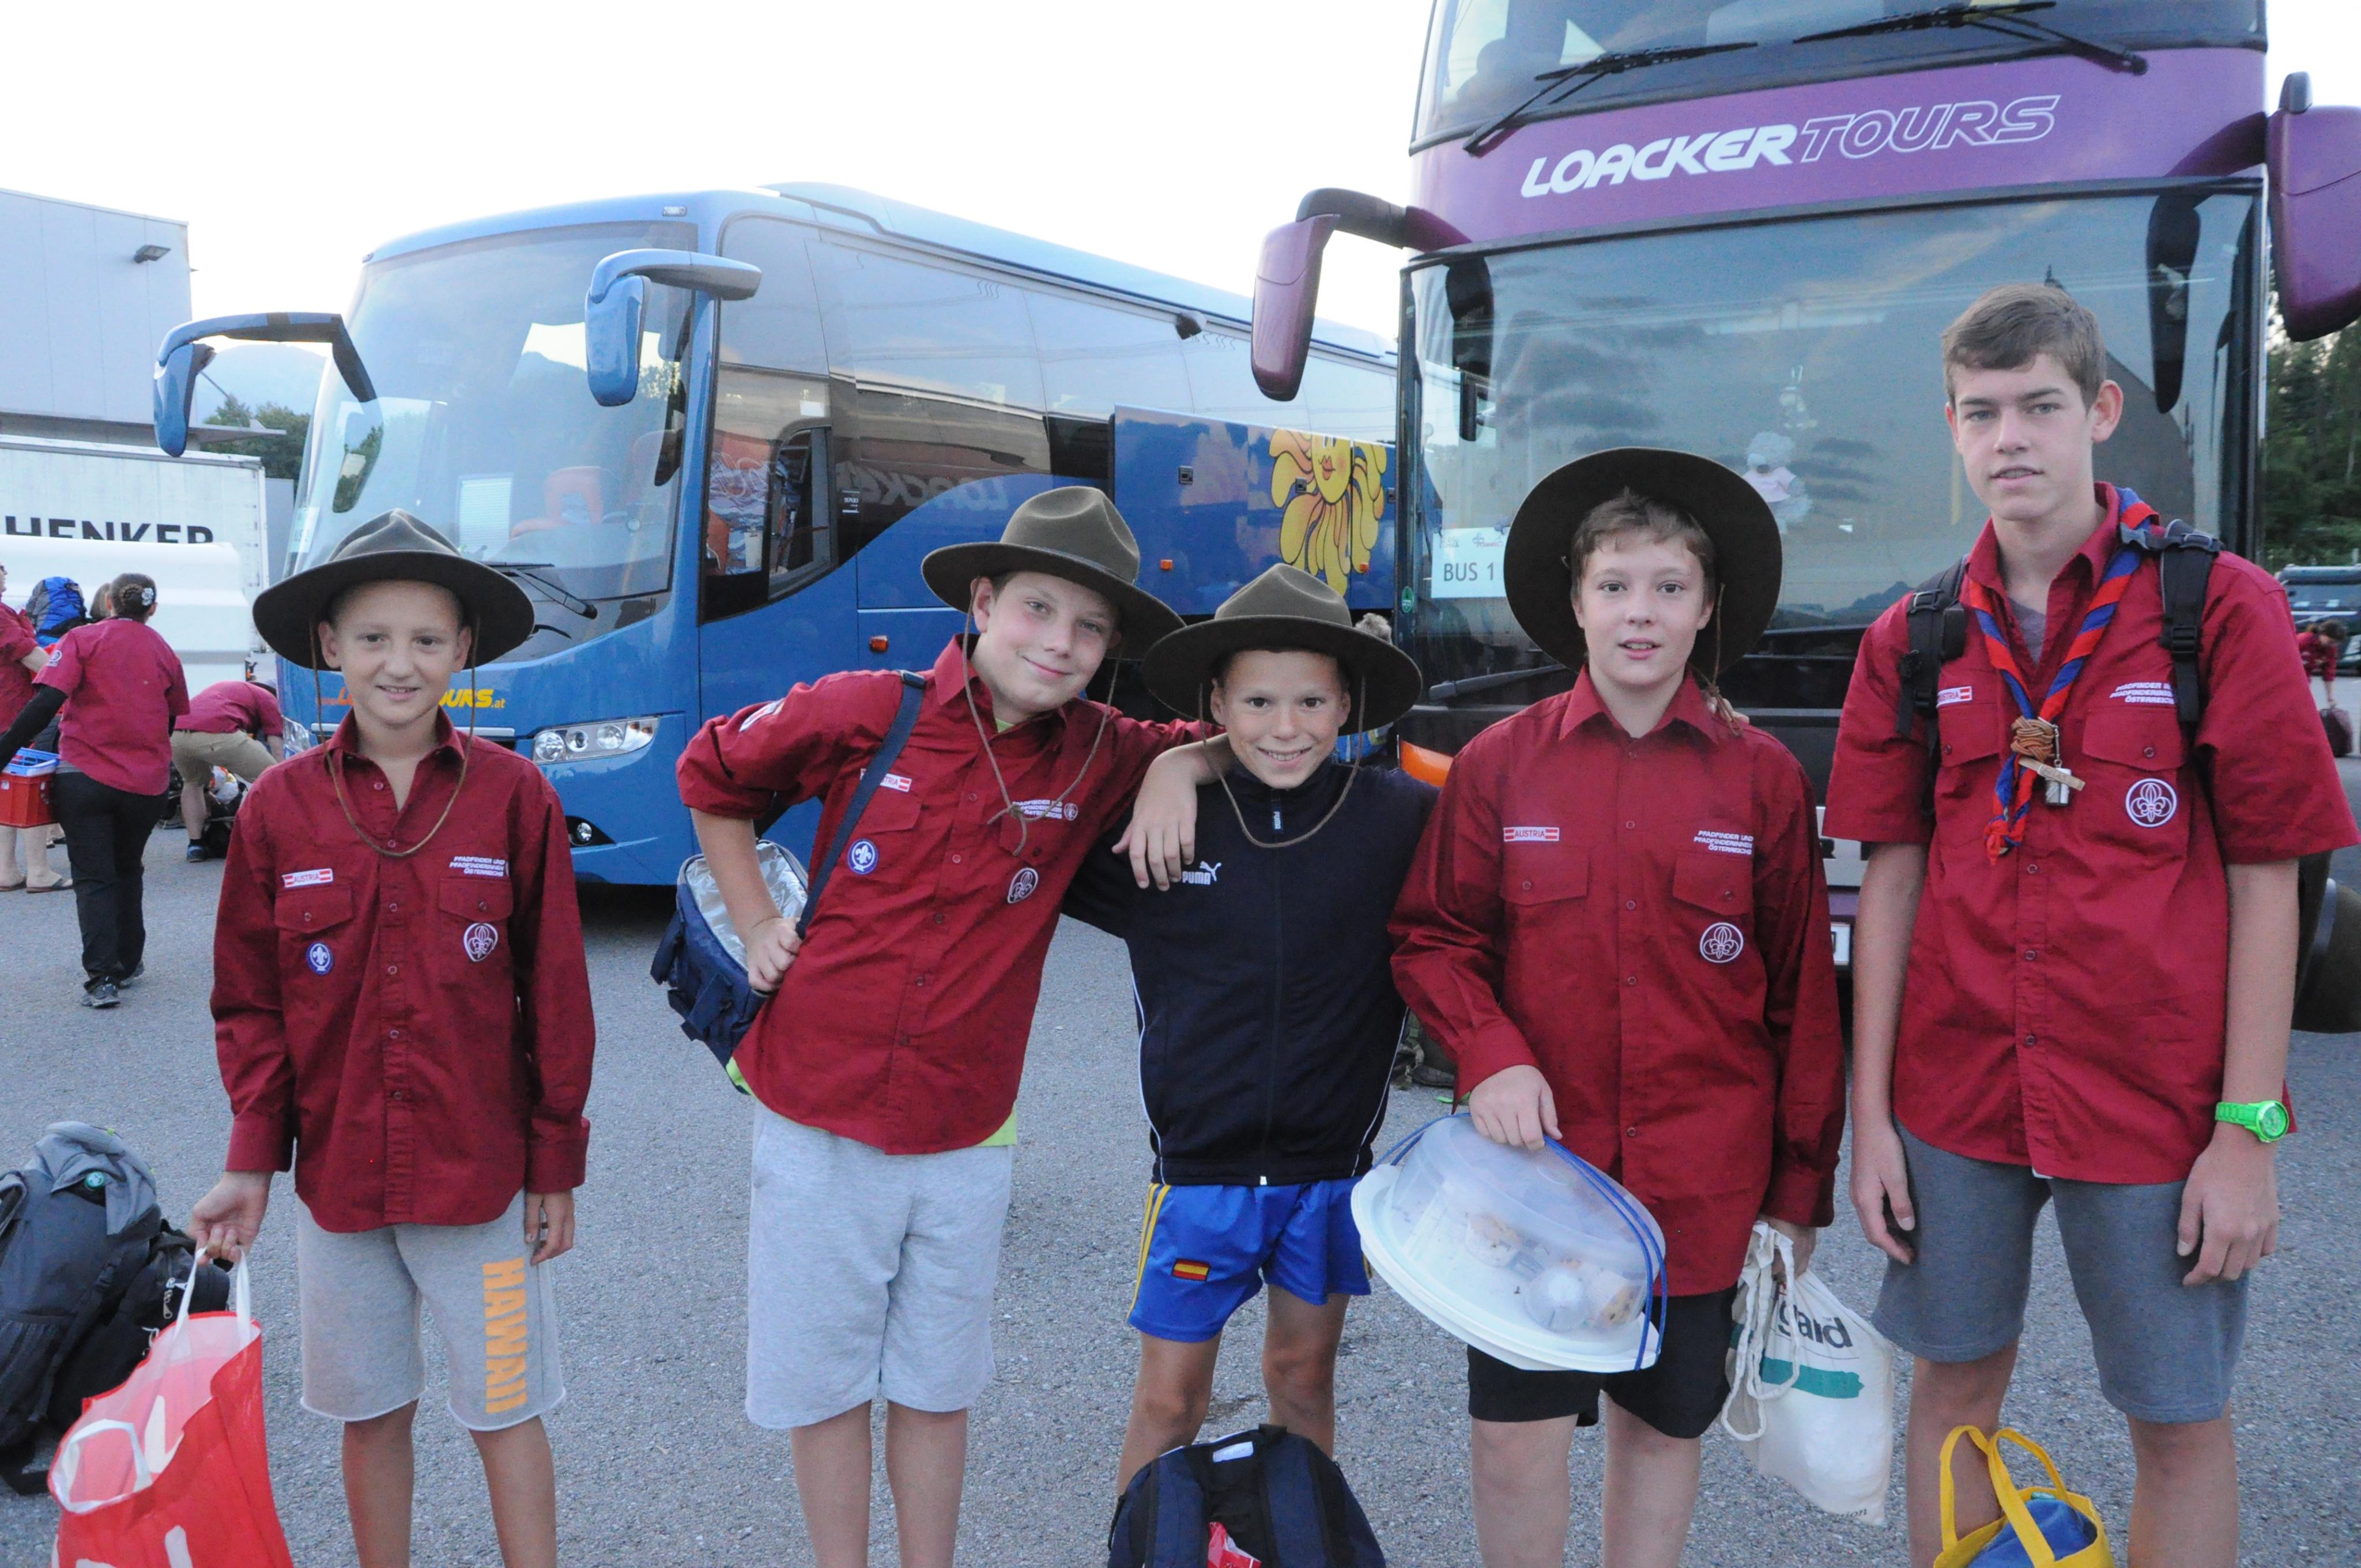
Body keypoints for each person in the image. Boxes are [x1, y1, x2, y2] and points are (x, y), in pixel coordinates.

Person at [1827, 284, 2355, 1568]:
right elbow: (1888, 880)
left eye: (2039, 406)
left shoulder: (2213, 607)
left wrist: (2247, 1131)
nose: (2009, 437)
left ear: (2100, 411)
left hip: (2156, 1099)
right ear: (1951, 429)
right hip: (1955, 1090)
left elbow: (2268, 879)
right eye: (1980, 412)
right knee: (1952, 1392)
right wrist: (1869, 1118)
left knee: (2174, 1419)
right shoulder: (1912, 636)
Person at [676, 486, 1225, 1568]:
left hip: (965, 1134)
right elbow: (712, 773)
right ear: (981, 603)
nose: (1058, 643)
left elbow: (1244, 730)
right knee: (825, 1387)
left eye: (1090, 627)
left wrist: (1177, 767)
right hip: (817, 1115)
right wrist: (755, 919)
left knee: (937, 1388)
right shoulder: (864, 709)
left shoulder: (1102, 751)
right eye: (1036, 609)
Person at [1389, 451, 1845, 1568]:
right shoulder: (1497, 765)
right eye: (1615, 586)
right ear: (1576, 603)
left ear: (1706, 607)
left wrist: (1797, 1192)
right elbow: (1433, 935)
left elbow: (1801, 996)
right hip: (1534, 1182)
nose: (1640, 611)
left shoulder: (1762, 778)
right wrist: (1490, 1054)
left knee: (1659, 1432)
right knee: (1514, 1440)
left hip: (1702, 1183)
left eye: (1668, 587)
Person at [186, 510, 594, 1568]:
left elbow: (556, 993)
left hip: (483, 1186)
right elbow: (250, 1002)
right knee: (369, 1417)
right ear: (330, 646)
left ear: (464, 649)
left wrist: (554, 1160)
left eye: (425, 639)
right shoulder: (277, 809)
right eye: (372, 638)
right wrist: (250, 1160)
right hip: (340, 1188)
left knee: (508, 1411)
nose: (398, 664)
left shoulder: (516, 797)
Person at [1061, 564, 1435, 1494]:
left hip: (1328, 1175)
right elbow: (1025, 830)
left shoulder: (1402, 818)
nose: (1285, 726)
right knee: (1169, 1402)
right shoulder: (1161, 828)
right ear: (1217, 704)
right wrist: (1174, 767)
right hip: (1200, 1178)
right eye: (1258, 701)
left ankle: (1298, 1539)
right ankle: (1143, 1551)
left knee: (1302, 1378)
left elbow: (1514, 836)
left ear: (1347, 702)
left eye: (1311, 701)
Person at [0, 572, 187, 1007]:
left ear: (108, 603)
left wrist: (4, 751)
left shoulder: (82, 639)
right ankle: (129, 961)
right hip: (145, 783)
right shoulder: (164, 650)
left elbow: (46, 702)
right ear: (152, 609)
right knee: (128, 868)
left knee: (93, 877)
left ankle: (102, 979)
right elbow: (172, 716)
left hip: (83, 776)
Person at [0, 559, 66, 891]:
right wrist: (72, 678)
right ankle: (39, 871)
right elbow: (30, 655)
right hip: (13, 713)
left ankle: (6, 870)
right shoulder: (1, 616)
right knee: (31, 788)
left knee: (5, 790)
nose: (5, 574)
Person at [174, 676, 285, 860]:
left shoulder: (228, 688)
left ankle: (196, 846)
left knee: (193, 784)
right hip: (218, 732)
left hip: (177, 735)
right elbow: (276, 743)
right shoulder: (268, 698)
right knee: (273, 780)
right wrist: (284, 772)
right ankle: (269, 840)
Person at [2296, 616, 2342, 717]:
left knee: (2301, 707)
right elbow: (2284, 656)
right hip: (2286, 676)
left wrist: (2330, 698)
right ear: (2323, 634)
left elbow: (2329, 674)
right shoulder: (2304, 640)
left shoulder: (2331, 650)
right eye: (2331, 642)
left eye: (2335, 644)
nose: (2332, 645)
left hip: (2304, 680)